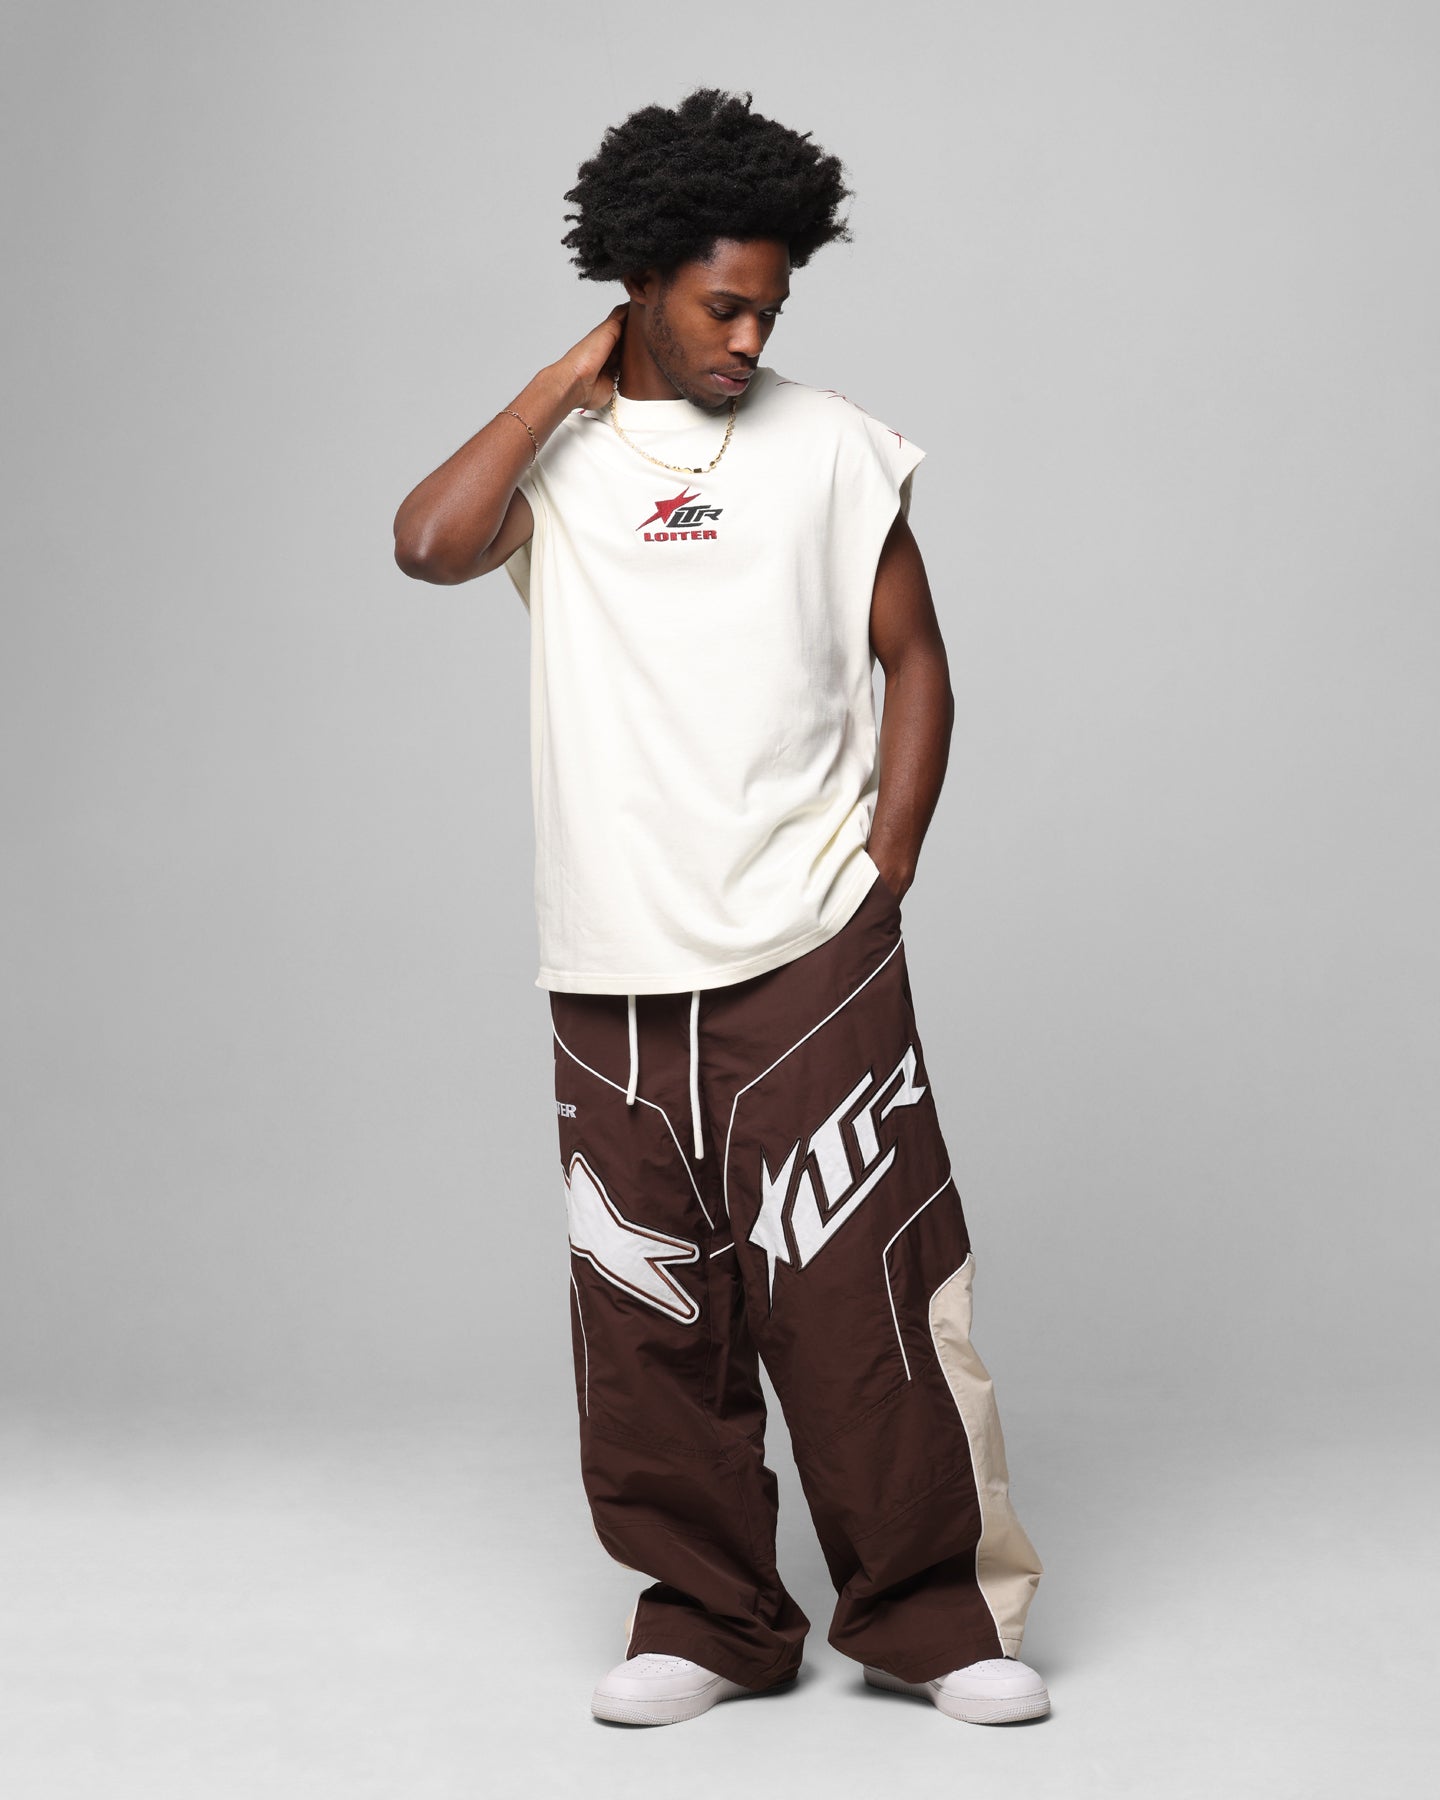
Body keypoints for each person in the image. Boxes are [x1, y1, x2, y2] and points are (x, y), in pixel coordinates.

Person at [393, 87, 1049, 1730]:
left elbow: (917, 660)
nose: (752, 337)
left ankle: (932, 1618)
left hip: (808, 953)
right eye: (721, 306)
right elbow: (428, 543)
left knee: (867, 1299)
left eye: (772, 307)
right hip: (608, 967)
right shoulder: (561, 464)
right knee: (649, 1313)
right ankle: (710, 1618)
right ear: (639, 280)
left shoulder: (831, 450)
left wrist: (885, 869)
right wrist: (570, 382)